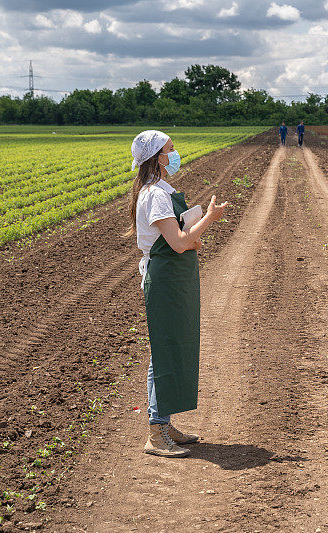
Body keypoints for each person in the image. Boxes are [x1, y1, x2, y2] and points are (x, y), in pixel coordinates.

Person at [128, 130, 228, 457]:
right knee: (166, 350)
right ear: (157, 157)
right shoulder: (155, 195)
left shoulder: (160, 191)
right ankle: (156, 432)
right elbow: (179, 242)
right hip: (166, 279)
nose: (175, 153)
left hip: (173, 276)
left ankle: (164, 422)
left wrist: (193, 232)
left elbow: (182, 238)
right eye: (170, 149)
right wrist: (210, 219)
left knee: (169, 348)